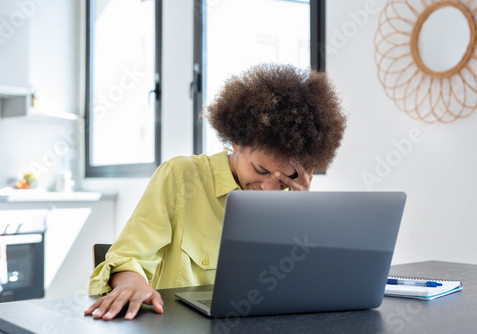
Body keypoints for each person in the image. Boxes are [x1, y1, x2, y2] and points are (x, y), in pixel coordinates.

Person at [84, 63, 347, 320]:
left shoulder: (293, 195)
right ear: (236, 142)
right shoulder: (181, 177)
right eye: (261, 170)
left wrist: (303, 208)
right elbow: (127, 258)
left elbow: (308, 286)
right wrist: (132, 282)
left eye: (283, 179)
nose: (269, 189)